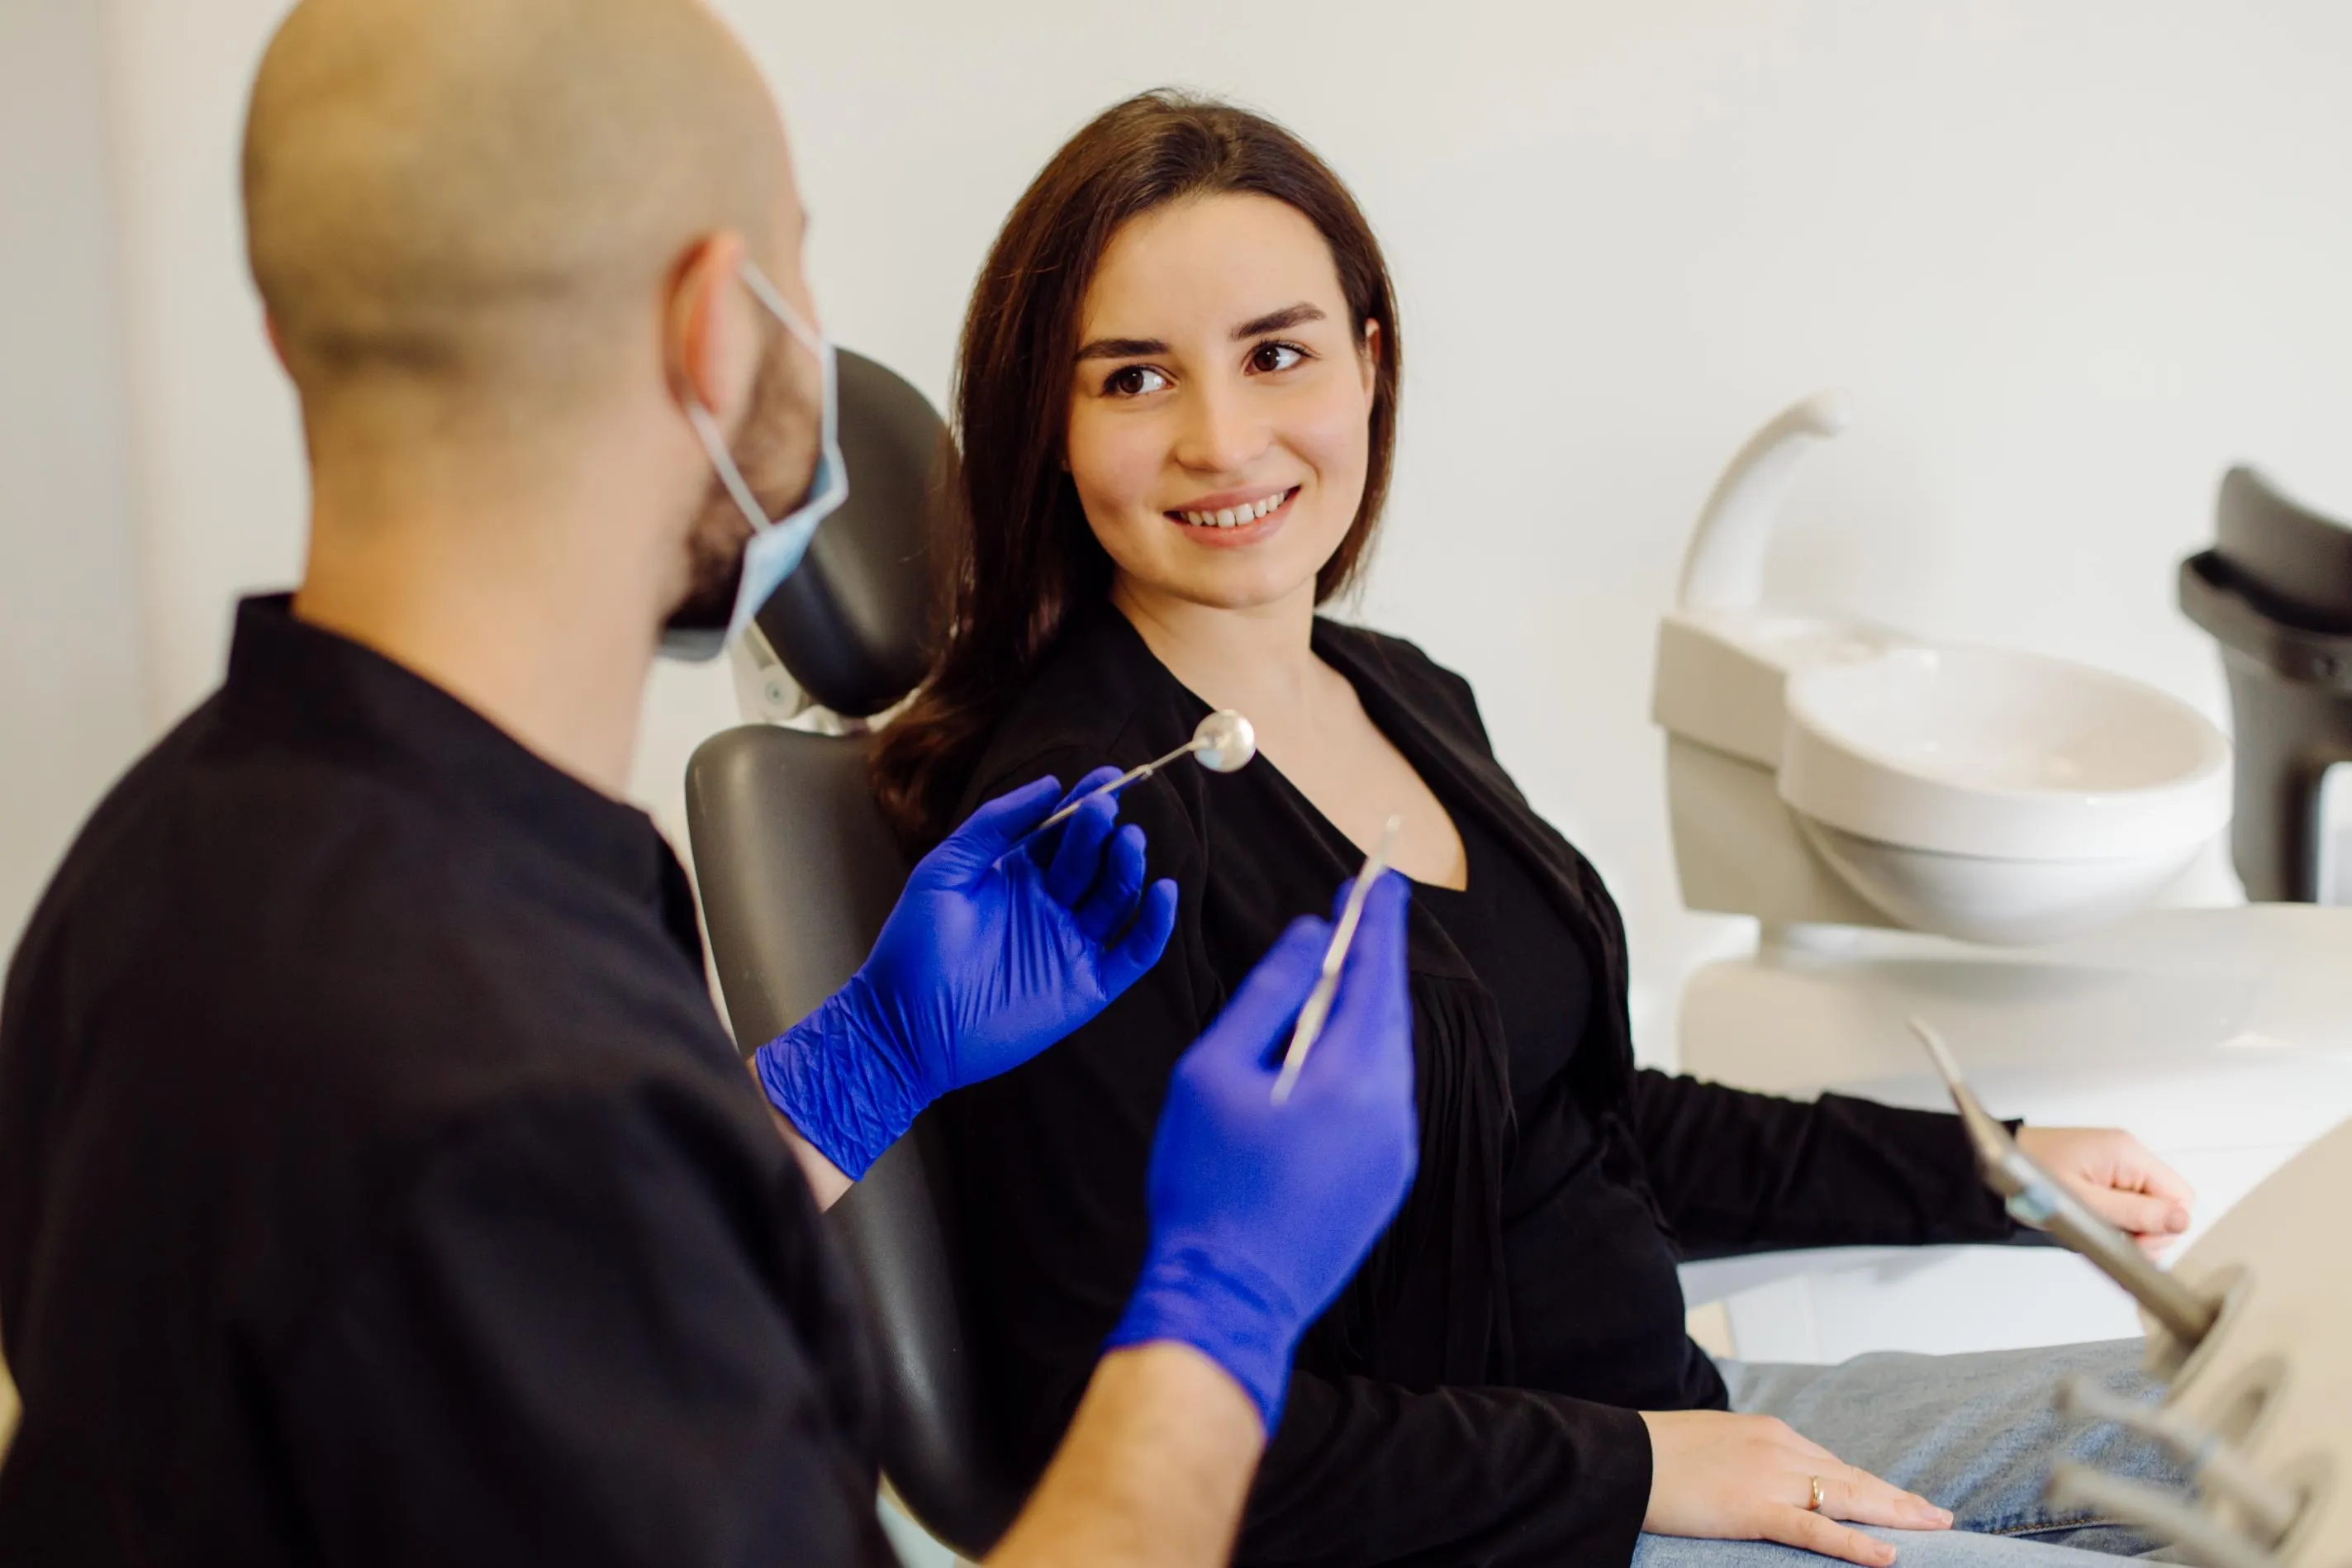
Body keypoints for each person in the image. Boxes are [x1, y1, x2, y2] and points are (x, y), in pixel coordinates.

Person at [0, 9, 1423, 1566]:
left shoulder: (148, 874)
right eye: (793, 268)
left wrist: (850, 1075)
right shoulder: (505, 1081)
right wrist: (1225, 1306)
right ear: (713, 327)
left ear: (293, 329)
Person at [868, 91, 2202, 1568]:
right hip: (1512, 1518)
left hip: (1671, 1420)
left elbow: (1579, 1115)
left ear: (1368, 364)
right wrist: (1632, 1470)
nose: (1222, 436)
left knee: (2271, 1426)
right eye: (1133, 379)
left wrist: (1992, 1167)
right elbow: (1130, 1443)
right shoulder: (1081, 844)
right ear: (1048, 426)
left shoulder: (1399, 693)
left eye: (1276, 353)